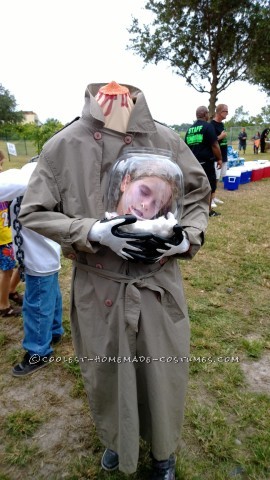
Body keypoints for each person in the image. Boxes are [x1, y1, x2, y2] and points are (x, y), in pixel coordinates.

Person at [19, 81, 210, 479]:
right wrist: (91, 231)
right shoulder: (63, 145)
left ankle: (163, 452)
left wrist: (183, 238)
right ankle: (116, 440)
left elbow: (197, 194)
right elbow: (34, 211)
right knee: (106, 372)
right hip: (98, 285)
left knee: (162, 371)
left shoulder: (167, 139)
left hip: (157, 283)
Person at [0, 159, 64, 376]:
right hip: (47, 256)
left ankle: (38, 351)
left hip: (39, 259)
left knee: (36, 307)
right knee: (51, 298)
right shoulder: (46, 177)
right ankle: (54, 331)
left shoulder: (33, 176)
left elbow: (8, 182)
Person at [185, 105, 222, 218]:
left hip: (192, 164)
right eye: (207, 114)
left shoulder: (190, 129)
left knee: (195, 187)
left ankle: (193, 209)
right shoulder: (208, 126)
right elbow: (215, 145)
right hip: (206, 163)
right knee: (210, 186)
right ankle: (208, 211)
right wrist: (219, 159)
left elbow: (185, 147)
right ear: (205, 114)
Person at [0, 150, 22, 317]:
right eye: (0, 164)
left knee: (19, 265)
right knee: (6, 270)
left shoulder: (5, 183)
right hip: (3, 237)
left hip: (9, 234)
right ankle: (3, 306)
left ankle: (11, 292)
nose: (2, 169)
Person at [211, 104, 229, 206]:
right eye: (226, 111)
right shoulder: (211, 125)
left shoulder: (221, 124)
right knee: (214, 178)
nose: (227, 113)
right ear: (219, 112)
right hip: (216, 157)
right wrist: (221, 136)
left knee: (218, 178)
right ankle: (210, 199)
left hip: (224, 155)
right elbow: (211, 141)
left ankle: (214, 196)